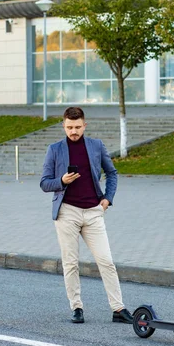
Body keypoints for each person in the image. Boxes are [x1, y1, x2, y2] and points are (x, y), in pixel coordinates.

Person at [40, 106, 133, 324]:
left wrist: (107, 199)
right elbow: (44, 183)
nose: (74, 131)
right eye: (70, 127)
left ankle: (118, 309)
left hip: (93, 212)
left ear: (85, 125)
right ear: (63, 125)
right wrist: (61, 181)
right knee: (71, 263)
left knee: (106, 261)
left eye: (78, 127)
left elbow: (112, 172)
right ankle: (77, 307)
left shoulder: (96, 146)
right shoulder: (54, 149)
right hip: (67, 212)